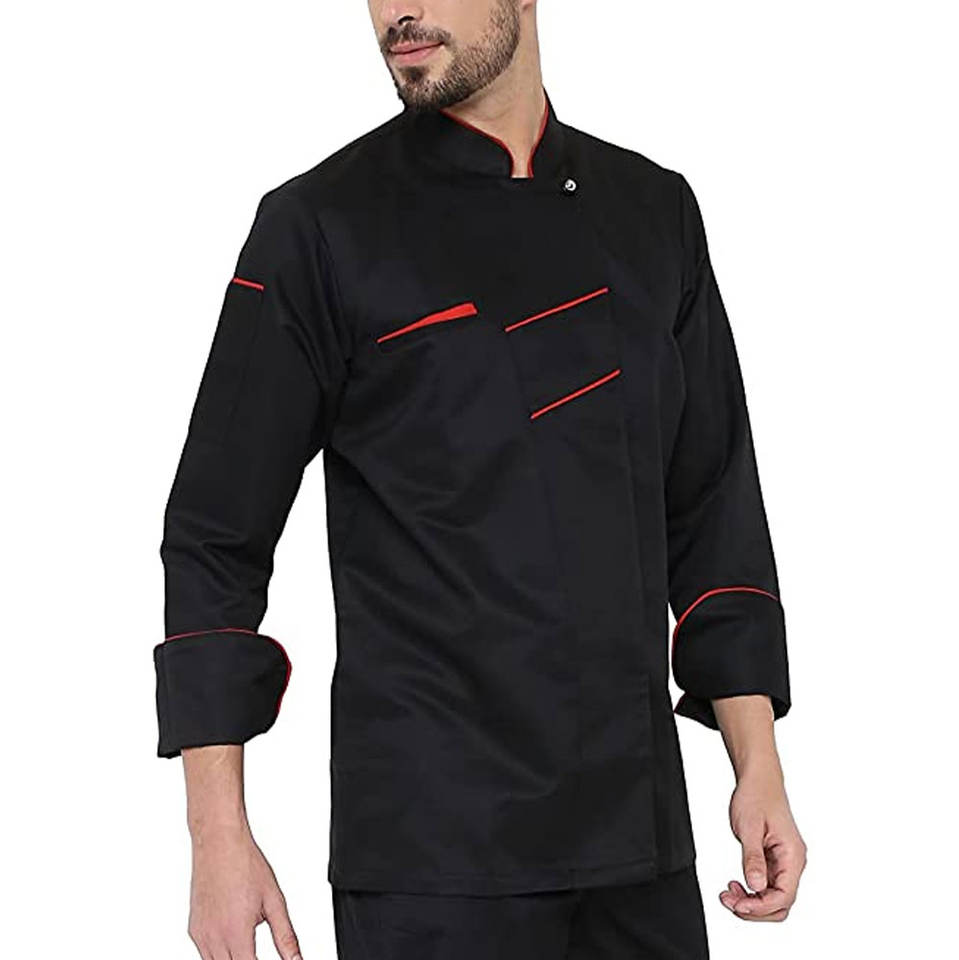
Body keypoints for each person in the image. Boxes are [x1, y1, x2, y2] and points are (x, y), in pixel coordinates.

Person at [153, 2, 807, 957]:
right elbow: (215, 535)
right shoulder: (319, 226)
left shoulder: (652, 211)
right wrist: (217, 836)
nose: (398, 11)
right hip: (432, 865)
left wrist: (759, 765)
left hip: (640, 851)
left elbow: (712, 506)